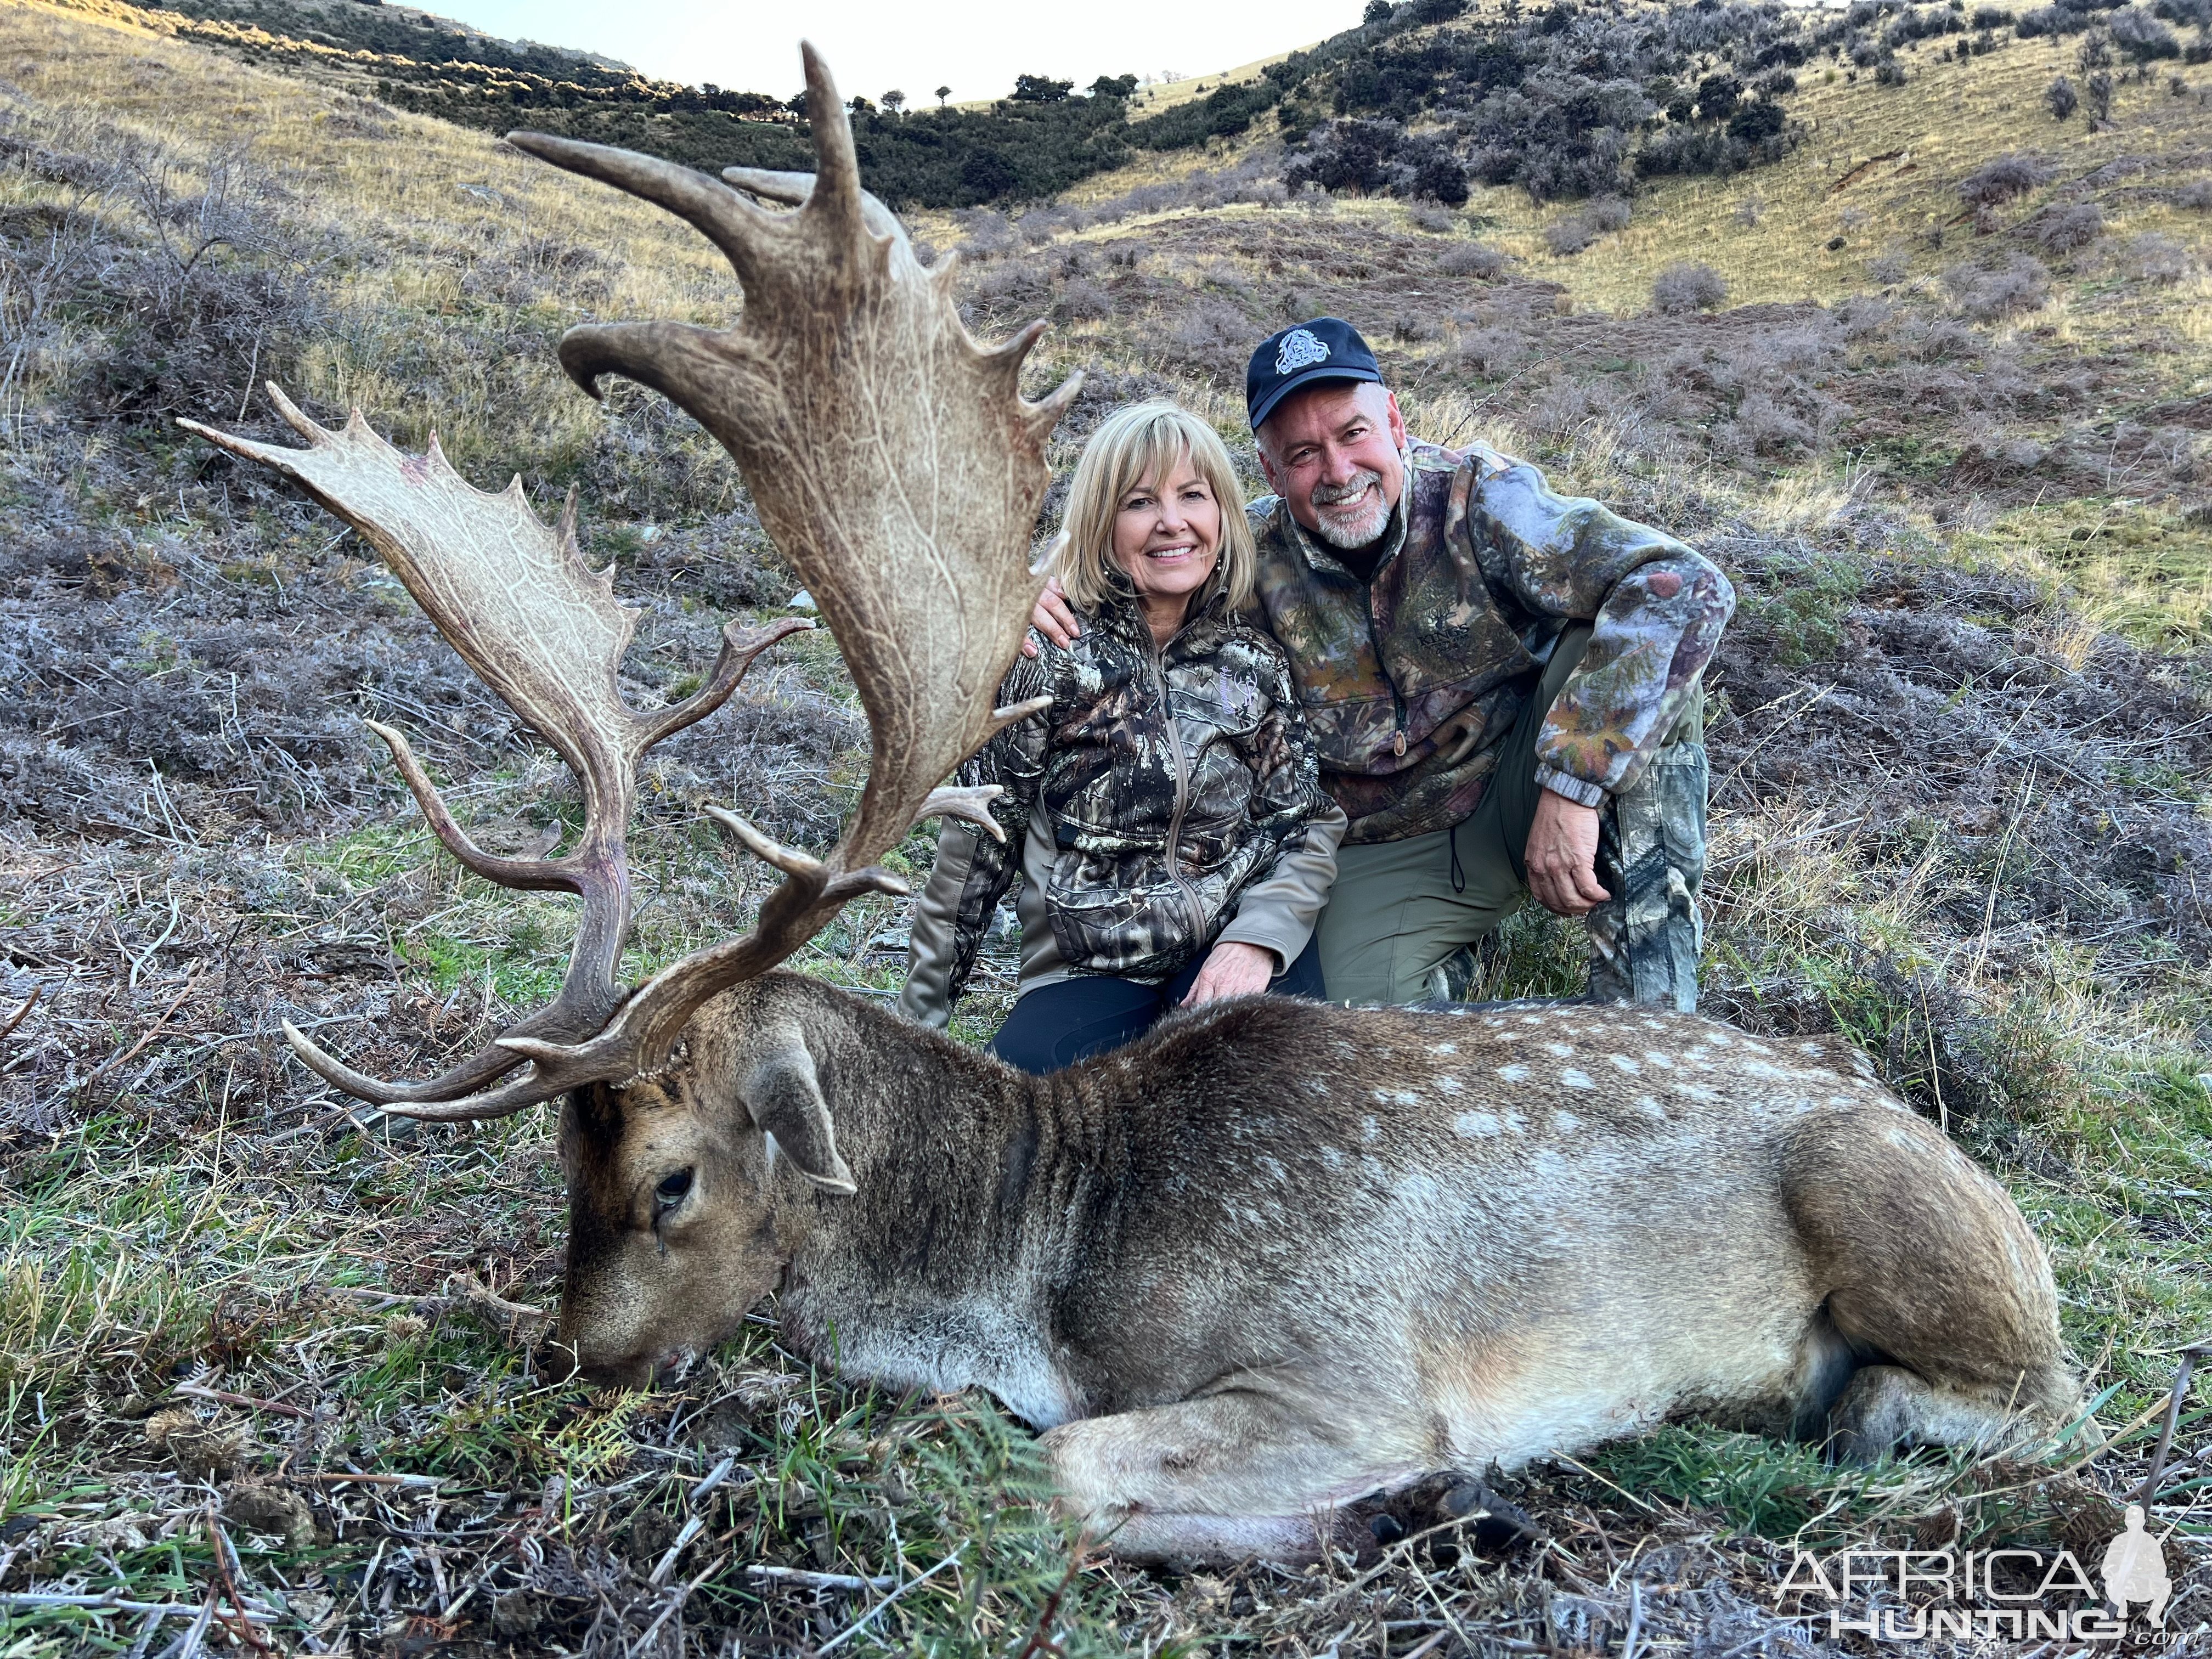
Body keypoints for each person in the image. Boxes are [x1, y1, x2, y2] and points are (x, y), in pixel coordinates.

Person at [1030, 318, 1733, 1010]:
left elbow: (1682, 585)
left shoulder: (1480, 498)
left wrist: (1573, 784)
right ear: (1271, 470)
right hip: (1381, 847)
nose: (1337, 472)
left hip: (1516, 790)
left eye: (1353, 433)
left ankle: (1651, 1010)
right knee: (1357, 1035)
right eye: (1303, 454)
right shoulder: (1244, 558)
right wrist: (1036, 591)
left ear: (1394, 422)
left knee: (1640, 654)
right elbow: (1140, 577)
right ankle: (1458, 948)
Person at [899, 401, 1345, 1073]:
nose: (1173, 522)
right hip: (1089, 968)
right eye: (1140, 502)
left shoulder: (1252, 661)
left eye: (1192, 496)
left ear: (1222, 514)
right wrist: (917, 1025)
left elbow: (1304, 825)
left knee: (1281, 1112)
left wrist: (1258, 940)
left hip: (1231, 946)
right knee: (1035, 1133)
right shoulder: (1047, 656)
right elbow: (976, 848)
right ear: (1104, 524)